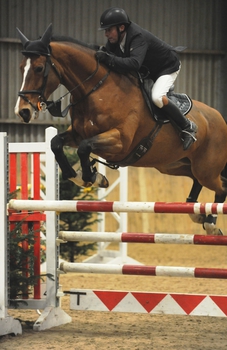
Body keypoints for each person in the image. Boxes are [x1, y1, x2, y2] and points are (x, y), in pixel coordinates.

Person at [96, 7, 197, 151]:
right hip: (149, 70)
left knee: (156, 97)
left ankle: (187, 127)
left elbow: (134, 64)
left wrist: (108, 58)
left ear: (121, 27)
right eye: (105, 31)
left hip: (167, 67)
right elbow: (110, 59)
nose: (106, 34)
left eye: (109, 30)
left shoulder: (137, 36)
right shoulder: (114, 40)